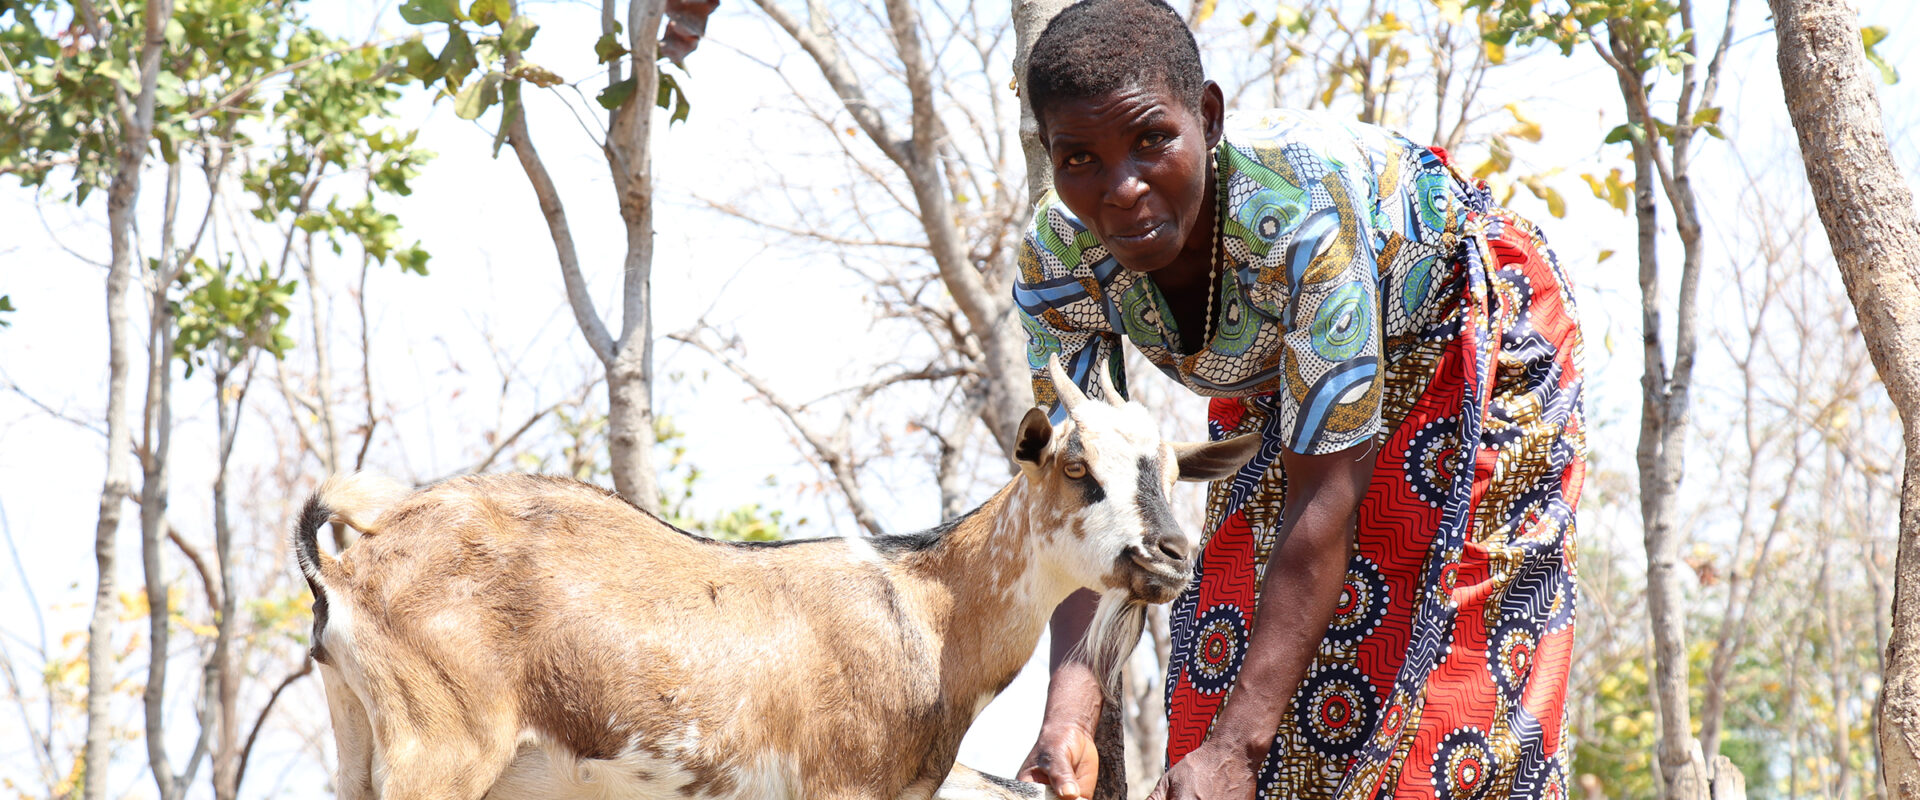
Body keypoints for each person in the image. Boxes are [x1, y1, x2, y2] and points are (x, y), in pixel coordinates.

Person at [1008, 1, 1586, 798]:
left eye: (1152, 141)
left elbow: (1325, 495)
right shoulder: (1059, 262)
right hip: (1288, 377)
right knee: (1226, 660)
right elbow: (1085, 504)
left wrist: (1236, 751)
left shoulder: (1298, 213)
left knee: (1444, 688)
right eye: (1079, 158)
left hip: (1462, 332)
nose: (1123, 188)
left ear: (1206, 117)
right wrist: (1067, 720)